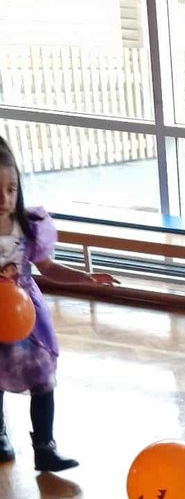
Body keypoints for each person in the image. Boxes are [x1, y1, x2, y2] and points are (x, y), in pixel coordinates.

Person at [0, 138, 117, 472]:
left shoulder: (28, 227)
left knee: (42, 378)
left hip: (28, 319)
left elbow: (48, 268)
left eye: (10, 189)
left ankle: (44, 448)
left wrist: (86, 277)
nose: (4, 199)